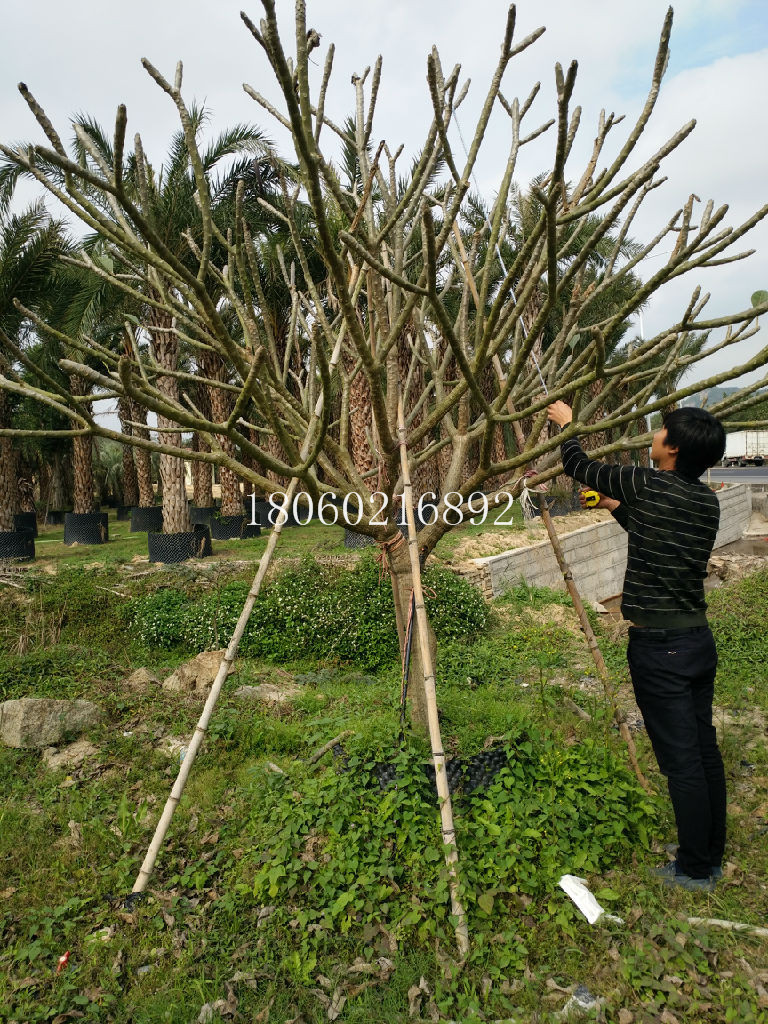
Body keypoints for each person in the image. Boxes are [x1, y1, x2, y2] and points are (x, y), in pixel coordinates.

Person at [547, 400, 727, 892]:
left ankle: (693, 870)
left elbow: (577, 465)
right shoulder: (704, 501)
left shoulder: (647, 482)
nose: (654, 436)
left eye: (661, 431)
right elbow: (655, 537)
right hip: (696, 640)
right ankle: (708, 852)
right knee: (703, 749)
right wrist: (612, 506)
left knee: (681, 762)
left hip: (660, 647)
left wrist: (569, 426)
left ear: (670, 448)